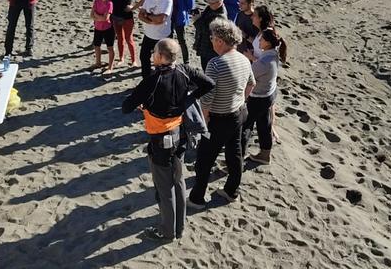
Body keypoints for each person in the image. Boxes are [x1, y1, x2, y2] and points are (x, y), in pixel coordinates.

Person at [122, 39, 215, 241]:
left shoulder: (153, 80)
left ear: (161, 56)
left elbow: (126, 106)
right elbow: (209, 83)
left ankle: (167, 231)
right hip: (180, 134)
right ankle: (179, 227)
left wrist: (144, 104)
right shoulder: (184, 70)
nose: (152, 55)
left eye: (154, 52)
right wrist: (188, 99)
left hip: (161, 138)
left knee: (165, 187)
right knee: (179, 181)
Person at [188, 19, 254, 208]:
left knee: (204, 160)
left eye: (212, 37)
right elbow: (251, 84)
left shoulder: (215, 64)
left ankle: (197, 199)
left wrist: (204, 121)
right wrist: (239, 100)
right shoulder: (243, 58)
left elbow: (207, 100)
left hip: (219, 119)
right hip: (239, 113)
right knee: (235, 154)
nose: (211, 40)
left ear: (219, 40)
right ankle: (231, 191)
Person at [242, 29, 285, 165]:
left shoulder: (265, 61)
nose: (258, 41)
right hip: (268, 95)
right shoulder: (273, 55)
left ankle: (237, 158)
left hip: (258, 98)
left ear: (267, 43)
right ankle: (265, 154)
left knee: (244, 127)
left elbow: (249, 77)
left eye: (261, 39)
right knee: (264, 124)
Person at [138, 0, 173, 78]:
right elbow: (140, 15)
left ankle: (163, 81)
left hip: (162, 36)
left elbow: (161, 19)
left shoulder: (167, 0)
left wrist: (148, 16)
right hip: (149, 34)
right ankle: (146, 79)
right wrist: (152, 21)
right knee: (144, 57)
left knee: (163, 62)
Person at [110, 0, 145, 67]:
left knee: (128, 39)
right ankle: (121, 58)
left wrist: (133, 8)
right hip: (115, 16)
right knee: (120, 38)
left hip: (127, 17)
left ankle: (134, 61)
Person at [164, 0, 195, 64]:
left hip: (179, 17)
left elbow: (190, 2)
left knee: (182, 40)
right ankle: (169, 59)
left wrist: (184, 11)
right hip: (169, 17)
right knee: (169, 39)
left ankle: (186, 61)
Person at [192, 0, 228, 72]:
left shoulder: (220, 16)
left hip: (211, 48)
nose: (209, 4)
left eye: (211, 3)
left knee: (209, 70)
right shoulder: (211, 8)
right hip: (205, 45)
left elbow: (208, 31)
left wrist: (197, 20)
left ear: (219, 2)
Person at [91, 0, 116, 75]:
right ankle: (98, 63)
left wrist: (97, 16)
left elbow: (106, 18)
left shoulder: (109, 3)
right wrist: (99, 17)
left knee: (110, 47)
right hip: (98, 27)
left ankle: (110, 66)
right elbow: (91, 15)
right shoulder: (97, 1)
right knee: (96, 46)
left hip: (108, 28)